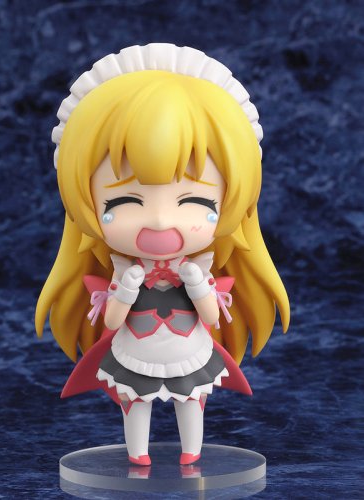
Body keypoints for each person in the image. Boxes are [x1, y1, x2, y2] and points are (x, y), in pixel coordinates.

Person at [35, 43, 290, 466]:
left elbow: (212, 317)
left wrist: (197, 284)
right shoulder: (123, 269)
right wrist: (124, 290)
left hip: (189, 350)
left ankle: (192, 451)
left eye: (195, 202)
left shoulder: (198, 267)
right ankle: (138, 454)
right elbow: (111, 322)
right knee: (135, 402)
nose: (158, 221)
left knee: (192, 401)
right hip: (135, 351)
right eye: (122, 202)